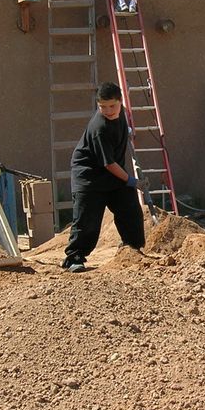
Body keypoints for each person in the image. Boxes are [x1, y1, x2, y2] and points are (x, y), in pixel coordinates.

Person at [62, 82, 146, 272]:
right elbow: (108, 163)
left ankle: (132, 248)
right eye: (103, 107)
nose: (108, 110)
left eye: (112, 106)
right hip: (89, 175)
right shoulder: (99, 128)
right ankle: (74, 257)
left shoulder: (122, 113)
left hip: (113, 172)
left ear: (120, 102)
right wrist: (131, 181)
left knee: (130, 207)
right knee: (87, 219)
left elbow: (115, 151)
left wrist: (128, 133)